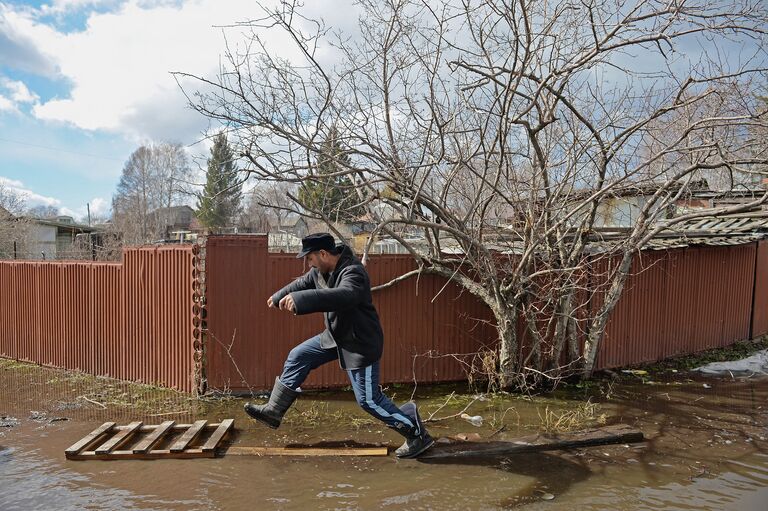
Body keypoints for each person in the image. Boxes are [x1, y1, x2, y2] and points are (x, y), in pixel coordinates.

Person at [244, 232, 434, 458]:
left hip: (359, 343)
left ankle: (417, 434)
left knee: (369, 401)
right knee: (298, 355)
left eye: (310, 257)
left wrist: (302, 300)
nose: (309, 263)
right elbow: (302, 282)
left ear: (323, 253)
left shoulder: (353, 272)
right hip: (335, 337)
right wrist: (279, 296)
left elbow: (344, 296)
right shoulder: (320, 271)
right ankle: (274, 411)